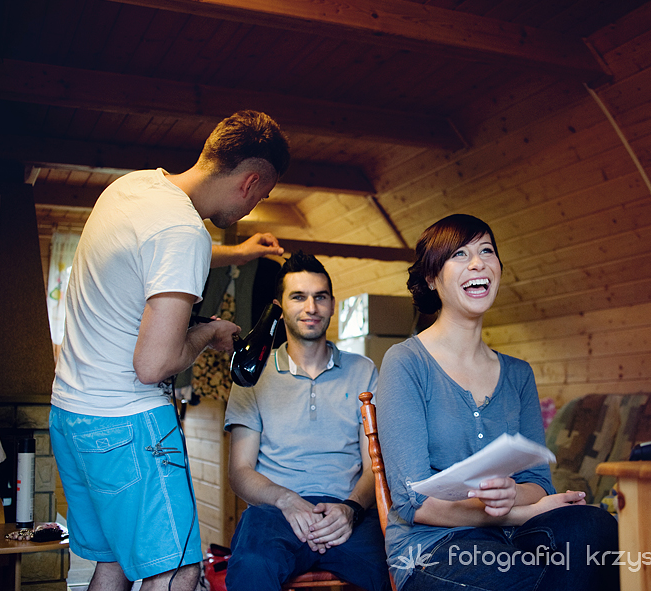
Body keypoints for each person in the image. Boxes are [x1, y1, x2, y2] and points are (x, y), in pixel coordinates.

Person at [49, 110, 291, 591]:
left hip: (72, 415)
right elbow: (153, 364)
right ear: (250, 181)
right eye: (261, 196)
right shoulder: (184, 235)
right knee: (179, 570)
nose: (252, 208)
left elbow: (162, 249)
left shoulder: (135, 189)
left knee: (114, 562)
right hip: (128, 423)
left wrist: (239, 254)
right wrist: (210, 333)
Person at [377, 214, 620, 591]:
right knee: (542, 578)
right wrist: (516, 512)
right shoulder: (405, 362)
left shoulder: (518, 374)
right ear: (430, 278)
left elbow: (538, 482)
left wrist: (513, 496)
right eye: (459, 254)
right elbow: (414, 504)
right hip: (432, 547)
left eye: (486, 251)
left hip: (510, 540)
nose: (478, 263)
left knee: (595, 528)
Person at [223, 251, 391, 591]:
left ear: (331, 304)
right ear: (279, 307)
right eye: (298, 297)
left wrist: (350, 510)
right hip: (275, 513)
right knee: (252, 568)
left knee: (401, 567)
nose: (311, 308)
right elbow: (240, 472)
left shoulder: (363, 371)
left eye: (320, 297)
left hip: (348, 514)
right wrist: (287, 500)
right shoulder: (253, 374)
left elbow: (374, 465)